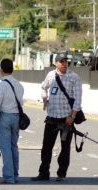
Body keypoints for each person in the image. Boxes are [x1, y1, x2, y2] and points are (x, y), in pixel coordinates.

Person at [31, 53, 82, 182]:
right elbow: (43, 88)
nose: (65, 64)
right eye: (62, 61)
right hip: (52, 117)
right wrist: (44, 99)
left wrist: (72, 115)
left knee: (65, 148)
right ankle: (43, 173)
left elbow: (78, 99)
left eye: (67, 61)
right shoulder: (50, 75)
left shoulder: (74, 78)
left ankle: (61, 173)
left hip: (66, 119)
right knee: (46, 146)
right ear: (56, 63)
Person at [0, 58, 24, 184]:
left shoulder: (1, 86)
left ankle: (8, 177)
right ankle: (15, 175)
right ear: (12, 69)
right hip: (16, 117)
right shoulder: (19, 85)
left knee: (5, 148)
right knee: (13, 147)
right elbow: (21, 103)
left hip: (4, 117)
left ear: (1, 70)